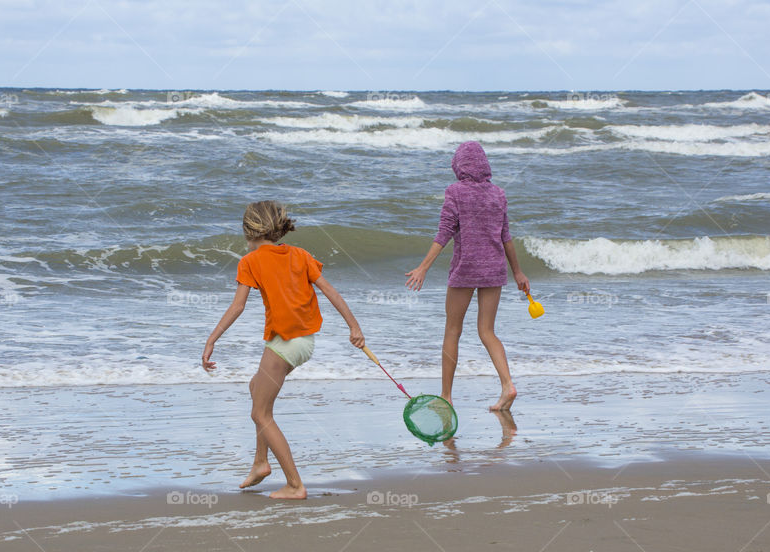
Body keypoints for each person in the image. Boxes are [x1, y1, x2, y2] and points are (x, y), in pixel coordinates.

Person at [202, 201, 365, 499]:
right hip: (303, 342)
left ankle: (294, 484)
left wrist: (212, 339)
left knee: (260, 414)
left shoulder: (249, 261)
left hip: (285, 343)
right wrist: (354, 327)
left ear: (248, 230)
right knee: (256, 388)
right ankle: (260, 462)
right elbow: (330, 290)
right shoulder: (300, 254)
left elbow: (237, 306)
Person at [405, 141, 529, 412]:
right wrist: (517, 271)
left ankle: (446, 396)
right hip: (494, 269)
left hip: (465, 268)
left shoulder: (455, 192)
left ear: (459, 165)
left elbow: (444, 233)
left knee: (452, 330)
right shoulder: (499, 194)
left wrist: (423, 267)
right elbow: (506, 237)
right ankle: (508, 385)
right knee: (487, 331)